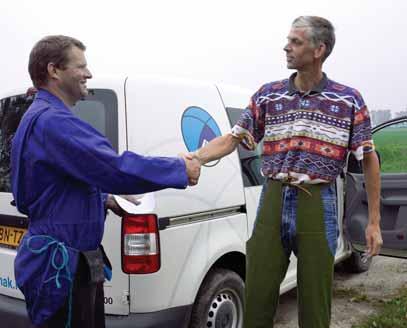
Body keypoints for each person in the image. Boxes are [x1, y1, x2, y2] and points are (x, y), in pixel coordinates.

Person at [186, 16, 383, 328]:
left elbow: (369, 159)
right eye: (288, 40)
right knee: (258, 291)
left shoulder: (348, 99)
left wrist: (373, 222)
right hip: (274, 196)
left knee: (315, 298)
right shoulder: (269, 95)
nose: (286, 47)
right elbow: (232, 138)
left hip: (318, 201)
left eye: (296, 42)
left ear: (319, 49)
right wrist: (194, 157)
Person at [11, 35, 201, 328]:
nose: (89, 73)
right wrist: (178, 169)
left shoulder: (38, 116)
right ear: (54, 70)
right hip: (61, 268)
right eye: (81, 66)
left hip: (61, 260)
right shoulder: (54, 122)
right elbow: (114, 168)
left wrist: (105, 199)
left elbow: (58, 186)